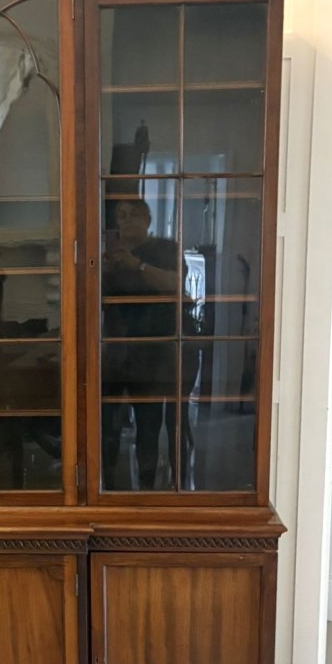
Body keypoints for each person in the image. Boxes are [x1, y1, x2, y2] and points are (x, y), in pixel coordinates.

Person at [101, 198, 195, 490]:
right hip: (117, 352)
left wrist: (136, 265)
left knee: (150, 424)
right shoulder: (111, 255)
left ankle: (150, 490)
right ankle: (109, 490)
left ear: (147, 220)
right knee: (108, 425)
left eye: (131, 215)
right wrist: (102, 270)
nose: (124, 221)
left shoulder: (166, 249)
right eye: (120, 217)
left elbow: (175, 283)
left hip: (157, 352)